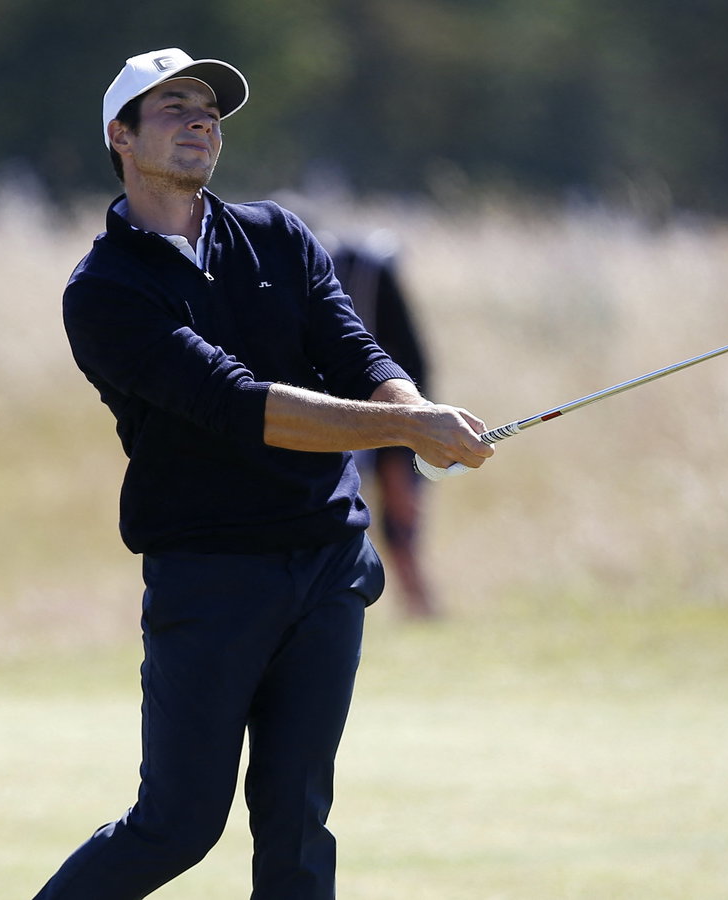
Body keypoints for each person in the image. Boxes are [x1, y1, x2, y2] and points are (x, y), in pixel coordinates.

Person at [31, 48, 492, 900]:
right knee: (178, 824)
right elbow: (246, 407)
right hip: (211, 577)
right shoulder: (104, 291)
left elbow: (354, 351)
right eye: (172, 107)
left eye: (208, 108)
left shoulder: (277, 234)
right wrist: (408, 426)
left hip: (324, 563)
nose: (200, 120)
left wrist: (411, 406)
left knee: (297, 821)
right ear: (120, 136)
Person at [330, 233, 439, 618]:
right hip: (336, 414)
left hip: (396, 413)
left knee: (400, 515)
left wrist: (409, 426)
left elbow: (412, 360)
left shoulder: (372, 272)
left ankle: (419, 606)